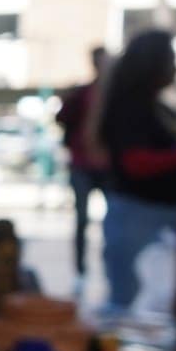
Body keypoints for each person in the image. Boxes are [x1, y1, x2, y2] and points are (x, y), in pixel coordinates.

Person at [96, 30, 176, 317]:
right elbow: (134, 162)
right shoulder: (131, 106)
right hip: (138, 212)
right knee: (124, 304)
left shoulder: (156, 106)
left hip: (154, 211)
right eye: (171, 60)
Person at [57, 45, 109, 285]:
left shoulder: (113, 94)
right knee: (81, 219)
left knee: (113, 221)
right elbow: (62, 117)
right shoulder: (84, 93)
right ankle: (80, 269)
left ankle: (109, 267)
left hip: (106, 166)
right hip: (82, 164)